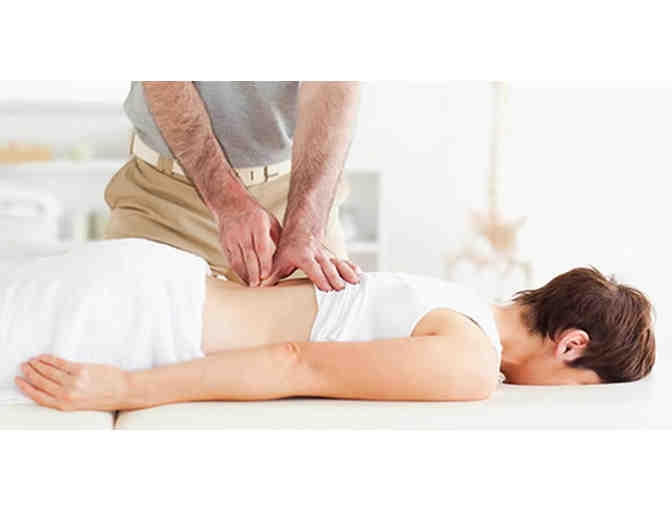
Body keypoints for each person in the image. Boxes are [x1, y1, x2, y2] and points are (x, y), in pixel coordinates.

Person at [3, 238, 655, 410]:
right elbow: (298, 362)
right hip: (134, 320)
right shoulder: (470, 362)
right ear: (572, 346)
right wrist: (125, 389)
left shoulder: (455, 298)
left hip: (148, 278)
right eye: (584, 387)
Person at [104, 81, 362, 291]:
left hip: (293, 198)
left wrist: (305, 229)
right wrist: (228, 201)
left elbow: (333, 85)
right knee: (134, 327)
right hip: (164, 201)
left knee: (329, 327)